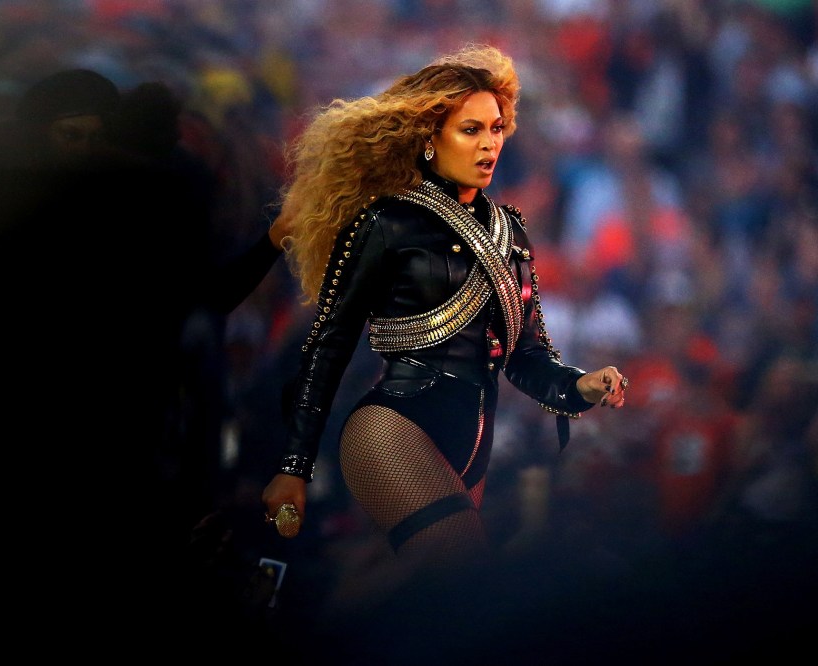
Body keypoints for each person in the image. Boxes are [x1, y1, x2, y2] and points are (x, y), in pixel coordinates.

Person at [259, 43, 630, 643]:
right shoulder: (385, 223)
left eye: (498, 128)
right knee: (458, 565)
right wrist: (294, 466)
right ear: (430, 138)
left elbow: (528, 355)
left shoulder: (512, 229)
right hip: (393, 427)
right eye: (471, 129)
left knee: (439, 602)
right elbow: (327, 346)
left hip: (470, 441)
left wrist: (578, 385)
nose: (490, 143)